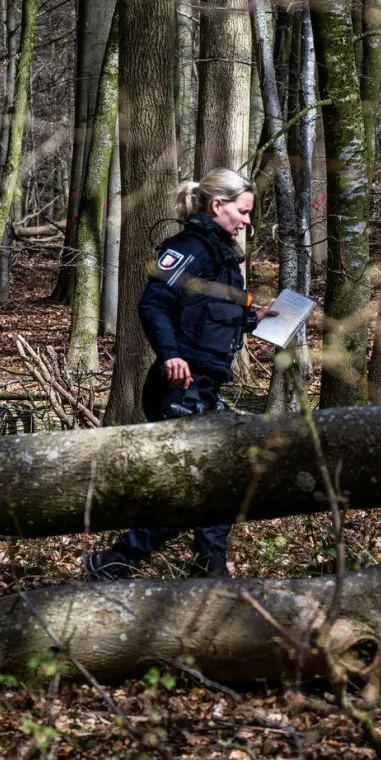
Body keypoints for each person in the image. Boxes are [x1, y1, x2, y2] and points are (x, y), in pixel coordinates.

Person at [83, 168, 276, 580]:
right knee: (199, 490)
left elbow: (208, 319)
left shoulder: (225, 259)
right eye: (242, 212)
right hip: (176, 386)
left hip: (205, 388)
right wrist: (170, 355)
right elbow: (153, 302)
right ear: (217, 206)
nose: (247, 221)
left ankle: (207, 569)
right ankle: (113, 563)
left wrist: (252, 320)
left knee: (227, 477)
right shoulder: (189, 248)